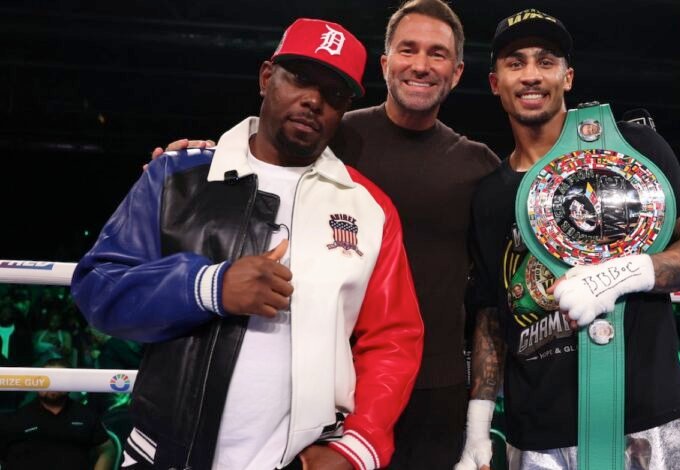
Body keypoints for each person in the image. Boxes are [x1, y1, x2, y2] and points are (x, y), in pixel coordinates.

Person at [152, 1, 500, 467]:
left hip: (434, 390)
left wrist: (479, 418)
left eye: (436, 54)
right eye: (408, 49)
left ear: (456, 72)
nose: (420, 65)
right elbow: (256, 158)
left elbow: (494, 292)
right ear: (385, 63)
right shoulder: (330, 132)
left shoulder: (478, 165)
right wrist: (197, 161)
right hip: (322, 393)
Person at [71, 17, 423, 470]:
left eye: (334, 93)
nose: (313, 100)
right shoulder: (177, 175)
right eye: (300, 78)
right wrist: (209, 287)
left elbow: (393, 339)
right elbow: (97, 287)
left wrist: (357, 446)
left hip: (300, 458)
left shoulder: (369, 208)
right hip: (166, 454)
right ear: (266, 77)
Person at [457, 7, 680, 470]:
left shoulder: (633, 148)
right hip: (538, 431)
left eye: (546, 61)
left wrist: (620, 275)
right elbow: (490, 315)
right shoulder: (488, 195)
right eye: (515, 62)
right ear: (495, 82)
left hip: (645, 419)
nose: (531, 75)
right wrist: (478, 427)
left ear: (568, 77)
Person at [0, 358, 117, 470]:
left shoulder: (85, 415)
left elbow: (107, 450)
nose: (53, 385)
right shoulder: (17, 418)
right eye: (48, 379)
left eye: (59, 379)